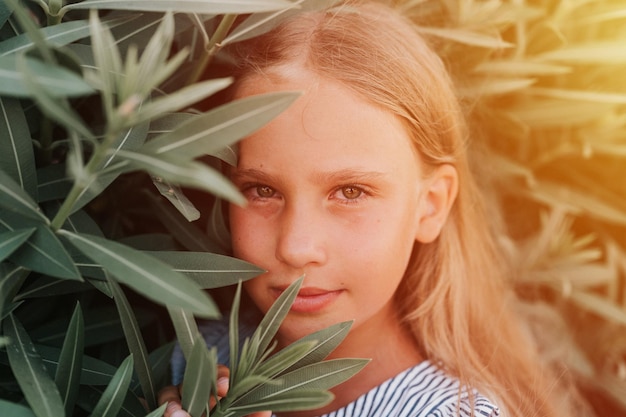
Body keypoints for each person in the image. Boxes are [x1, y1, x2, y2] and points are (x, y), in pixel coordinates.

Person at [159, 1, 584, 416]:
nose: (297, 246)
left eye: (350, 192)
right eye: (261, 190)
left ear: (430, 206)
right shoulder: (199, 357)